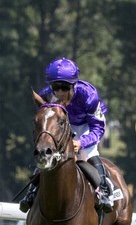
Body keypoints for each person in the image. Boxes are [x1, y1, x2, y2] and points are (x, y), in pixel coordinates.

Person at [21, 58, 113, 213]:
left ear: (74, 84)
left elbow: (97, 128)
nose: (60, 92)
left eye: (65, 87)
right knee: (48, 154)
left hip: (86, 124)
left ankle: (105, 192)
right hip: (61, 124)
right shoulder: (47, 95)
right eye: (56, 87)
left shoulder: (89, 96)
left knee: (88, 153)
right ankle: (31, 192)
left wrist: (81, 142)